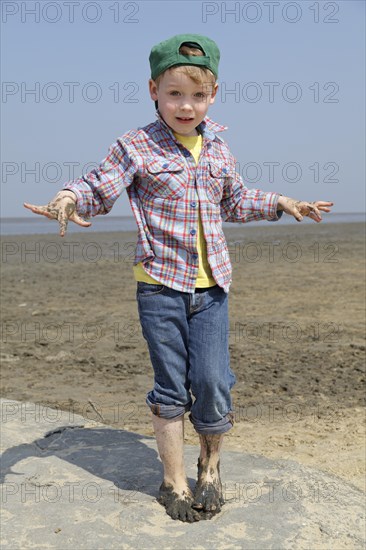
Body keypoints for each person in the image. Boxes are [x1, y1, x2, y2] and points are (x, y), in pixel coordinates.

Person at [24, 33, 333, 523]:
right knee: (171, 387)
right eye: (174, 93)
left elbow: (233, 200)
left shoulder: (218, 150)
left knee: (212, 384)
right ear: (153, 89)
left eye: (197, 95)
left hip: (212, 290)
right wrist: (67, 199)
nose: (186, 106)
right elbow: (96, 185)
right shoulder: (135, 146)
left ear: (213, 95)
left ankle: (210, 469)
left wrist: (282, 202)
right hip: (160, 286)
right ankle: (172, 483)